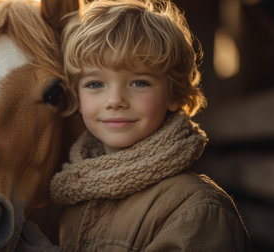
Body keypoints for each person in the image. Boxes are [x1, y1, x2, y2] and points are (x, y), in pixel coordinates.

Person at [18, 0, 250, 251]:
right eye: (95, 84)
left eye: (139, 82)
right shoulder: (76, 200)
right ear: (77, 96)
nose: (115, 101)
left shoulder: (197, 211)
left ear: (174, 94)